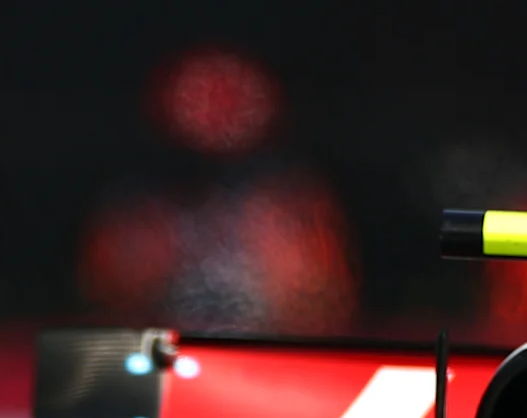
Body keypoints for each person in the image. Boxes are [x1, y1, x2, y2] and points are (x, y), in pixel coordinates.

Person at [78, 46, 354, 332]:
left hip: (266, 362)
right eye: (197, 93)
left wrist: (298, 276)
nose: (215, 111)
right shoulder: (134, 205)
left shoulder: (294, 198)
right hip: (167, 361)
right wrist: (134, 273)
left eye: (231, 95)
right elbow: (100, 306)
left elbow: (332, 307)